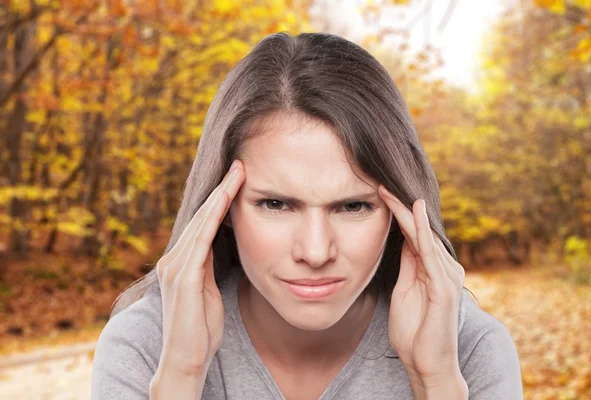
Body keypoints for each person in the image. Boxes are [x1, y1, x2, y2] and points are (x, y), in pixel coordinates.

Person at [91, 32, 523, 400]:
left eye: (353, 206)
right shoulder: (146, 345)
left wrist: (436, 382)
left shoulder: (469, 350)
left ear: (402, 213)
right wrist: (181, 376)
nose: (316, 251)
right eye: (276, 204)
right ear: (218, 209)